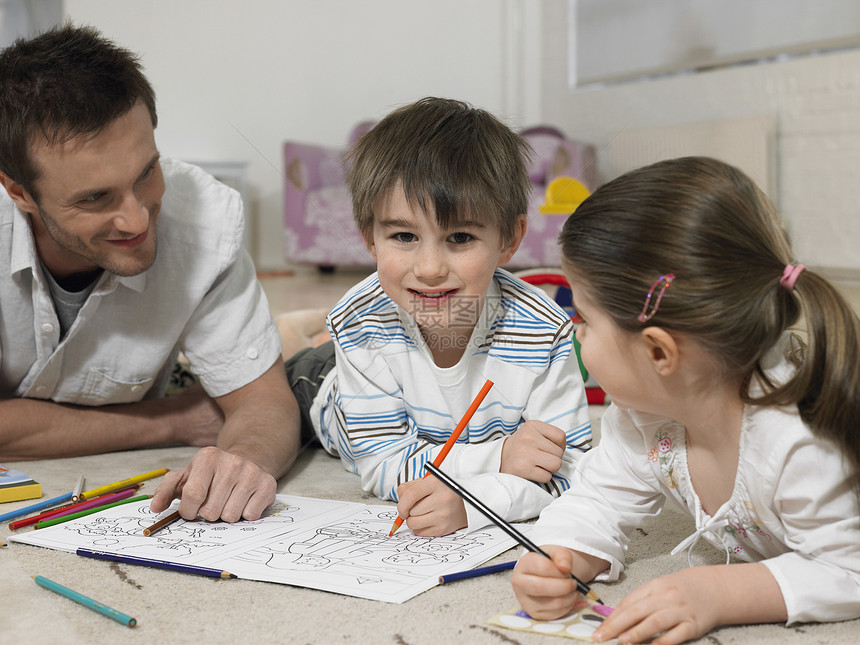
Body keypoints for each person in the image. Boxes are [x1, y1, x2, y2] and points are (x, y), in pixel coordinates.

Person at [511, 156, 860, 644]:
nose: (573, 328)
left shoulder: (798, 440)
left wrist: (717, 592)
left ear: (658, 351)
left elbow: (848, 569)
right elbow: (598, 500)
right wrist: (559, 555)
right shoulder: (642, 417)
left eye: (585, 318)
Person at [0, 24, 301, 523]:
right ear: (20, 192)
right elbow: (199, 415)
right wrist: (171, 420)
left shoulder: (207, 222)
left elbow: (264, 401)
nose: (138, 220)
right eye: (95, 198)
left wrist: (242, 461)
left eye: (146, 173)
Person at [284, 97, 592, 536]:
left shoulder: (544, 331)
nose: (429, 269)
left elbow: (570, 470)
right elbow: (381, 464)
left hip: (400, 380)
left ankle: (312, 333)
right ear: (370, 239)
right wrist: (496, 461)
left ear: (509, 239)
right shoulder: (361, 323)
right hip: (319, 389)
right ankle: (309, 340)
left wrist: (474, 504)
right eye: (404, 236)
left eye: (460, 237)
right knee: (268, 393)